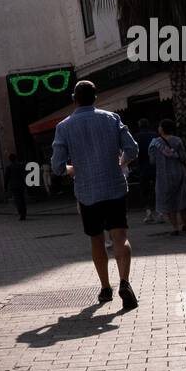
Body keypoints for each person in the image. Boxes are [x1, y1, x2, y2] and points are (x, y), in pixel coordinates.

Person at [50, 80, 139, 309]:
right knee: (120, 236)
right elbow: (132, 149)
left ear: (74, 98)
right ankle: (125, 282)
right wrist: (119, 163)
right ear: (96, 98)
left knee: (96, 239)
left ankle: (105, 287)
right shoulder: (111, 118)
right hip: (114, 187)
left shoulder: (64, 126)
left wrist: (72, 169)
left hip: (87, 191)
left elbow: (57, 166)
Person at [149, 119, 186, 234]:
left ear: (162, 129)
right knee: (182, 200)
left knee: (169, 202)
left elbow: (152, 161)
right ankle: (185, 225)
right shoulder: (177, 140)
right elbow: (183, 157)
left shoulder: (154, 143)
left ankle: (175, 228)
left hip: (163, 176)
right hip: (179, 173)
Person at [133, 118, 160, 224]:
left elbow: (134, 152)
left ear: (139, 126)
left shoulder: (136, 137)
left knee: (144, 190)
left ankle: (148, 212)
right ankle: (160, 212)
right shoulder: (155, 135)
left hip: (143, 167)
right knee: (158, 188)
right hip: (156, 166)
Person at [3, 153, 28, 221]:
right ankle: (24, 213)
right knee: (22, 199)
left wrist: (5, 187)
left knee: (18, 200)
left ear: (10, 159)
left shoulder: (9, 167)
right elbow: (24, 174)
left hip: (14, 186)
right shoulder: (20, 165)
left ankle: (21, 214)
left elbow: (6, 178)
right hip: (21, 185)